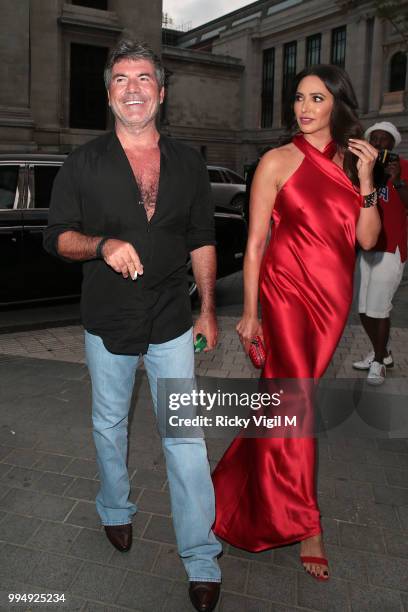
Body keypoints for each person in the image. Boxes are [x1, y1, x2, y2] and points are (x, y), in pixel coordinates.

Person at [44, 40, 221, 612]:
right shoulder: (83, 162)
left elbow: (202, 239)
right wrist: (102, 244)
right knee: (109, 423)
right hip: (107, 319)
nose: (134, 88)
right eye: (121, 79)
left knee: (186, 438)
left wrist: (210, 310)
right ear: (109, 92)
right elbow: (59, 237)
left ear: (161, 92)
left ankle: (200, 556)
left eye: (144, 78)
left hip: (172, 318)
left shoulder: (189, 162)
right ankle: (115, 510)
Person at [212, 64, 380, 580]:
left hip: (331, 300)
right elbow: (256, 244)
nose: (304, 108)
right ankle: (309, 523)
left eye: (316, 99)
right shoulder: (276, 161)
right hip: (284, 293)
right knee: (297, 399)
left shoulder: (355, 164)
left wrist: (369, 181)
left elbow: (368, 240)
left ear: (337, 105)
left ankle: (238, 482)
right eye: (299, 98)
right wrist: (249, 312)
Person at [353, 122, 408, 385]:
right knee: (364, 309)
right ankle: (382, 353)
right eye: (373, 138)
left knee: (379, 309)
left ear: (392, 143)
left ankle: (378, 363)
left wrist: (396, 181)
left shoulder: (403, 167)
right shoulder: (366, 170)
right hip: (368, 248)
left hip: (391, 248)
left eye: (383, 139)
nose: (377, 143)